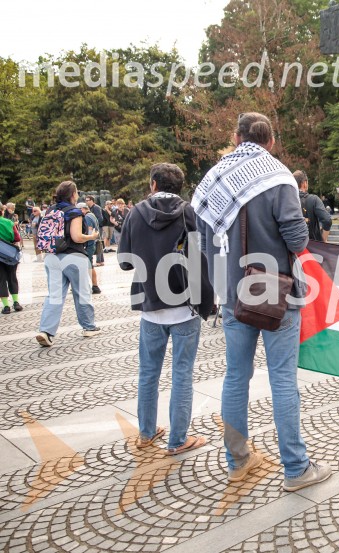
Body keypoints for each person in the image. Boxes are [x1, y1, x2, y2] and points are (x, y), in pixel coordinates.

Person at [194, 112, 331, 488]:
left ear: (236, 137)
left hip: (233, 293)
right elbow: (298, 240)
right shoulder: (278, 177)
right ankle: (296, 468)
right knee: (283, 379)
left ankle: (237, 460)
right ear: (270, 141)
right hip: (275, 290)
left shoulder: (213, 180)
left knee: (236, 376)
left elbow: (205, 242)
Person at [119, 162, 214, 455]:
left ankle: (146, 433)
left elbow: (124, 260)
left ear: (153, 185)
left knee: (148, 373)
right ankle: (178, 440)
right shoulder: (189, 213)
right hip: (185, 305)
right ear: (180, 186)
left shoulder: (135, 213)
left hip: (150, 306)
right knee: (182, 373)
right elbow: (203, 255)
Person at [35, 181, 101, 347]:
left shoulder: (50, 210)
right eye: (77, 192)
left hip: (52, 257)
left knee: (54, 295)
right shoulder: (74, 211)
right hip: (73, 257)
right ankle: (89, 327)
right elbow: (77, 236)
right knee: (82, 292)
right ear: (73, 195)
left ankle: (46, 331)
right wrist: (91, 237)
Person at [294, 170, 332, 242]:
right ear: (304, 183)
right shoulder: (313, 199)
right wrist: (324, 239)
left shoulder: (285, 201)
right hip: (312, 245)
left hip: (291, 246)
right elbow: (327, 220)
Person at [0, 213, 23, 314]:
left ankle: (6, 307)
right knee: (12, 277)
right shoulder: (9, 222)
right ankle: (16, 302)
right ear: (2, 212)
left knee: (1, 280)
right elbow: (17, 238)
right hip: (10, 254)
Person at [77, 202, 101, 294]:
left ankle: (95, 286)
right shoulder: (92, 215)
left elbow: (89, 231)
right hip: (91, 244)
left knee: (89, 265)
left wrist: (85, 241)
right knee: (88, 265)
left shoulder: (87, 217)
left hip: (89, 244)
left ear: (82, 209)